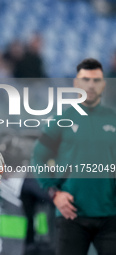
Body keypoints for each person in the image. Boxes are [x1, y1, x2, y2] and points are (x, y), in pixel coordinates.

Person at [32, 58, 116, 255]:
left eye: (96, 80)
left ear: (103, 85)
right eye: (85, 80)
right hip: (71, 216)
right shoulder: (61, 120)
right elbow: (38, 157)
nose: (91, 85)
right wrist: (54, 193)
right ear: (76, 84)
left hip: (111, 217)